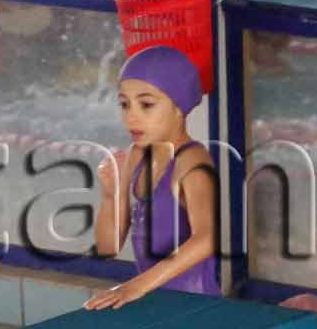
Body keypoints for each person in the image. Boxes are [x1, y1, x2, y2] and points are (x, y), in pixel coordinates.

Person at [89, 47, 219, 305]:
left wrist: (134, 287)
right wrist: (111, 194)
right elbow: (107, 248)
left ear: (179, 108)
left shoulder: (192, 162)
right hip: (155, 301)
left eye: (146, 104)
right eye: (124, 104)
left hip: (194, 306)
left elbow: (207, 239)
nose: (131, 116)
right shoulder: (137, 156)